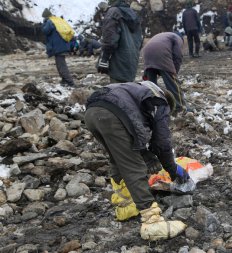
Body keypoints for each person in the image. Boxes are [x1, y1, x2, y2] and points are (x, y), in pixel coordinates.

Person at [84, 81, 189, 240]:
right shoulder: (160, 101)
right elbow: (162, 142)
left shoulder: (141, 90)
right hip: (112, 114)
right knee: (134, 166)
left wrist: (146, 153)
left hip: (92, 113)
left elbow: (135, 129)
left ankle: (126, 204)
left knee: (118, 157)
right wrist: (172, 169)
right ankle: (152, 222)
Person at [142, 32, 189, 115]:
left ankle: (152, 107)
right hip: (161, 53)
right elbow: (177, 56)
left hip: (146, 52)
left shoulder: (164, 35)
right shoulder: (177, 38)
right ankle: (180, 107)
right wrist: (174, 72)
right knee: (172, 84)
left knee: (151, 85)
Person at [97, 0, 142, 83]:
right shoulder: (133, 14)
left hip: (118, 59)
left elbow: (110, 39)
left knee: (117, 91)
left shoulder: (112, 12)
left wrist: (104, 58)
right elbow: (139, 40)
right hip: (132, 59)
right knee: (128, 90)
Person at [41, 8, 75, 86]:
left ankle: (70, 82)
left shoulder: (50, 21)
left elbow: (45, 31)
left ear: (46, 16)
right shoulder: (57, 20)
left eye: (44, 17)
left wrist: (44, 22)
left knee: (61, 65)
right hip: (62, 45)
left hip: (58, 47)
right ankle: (64, 80)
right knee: (60, 64)